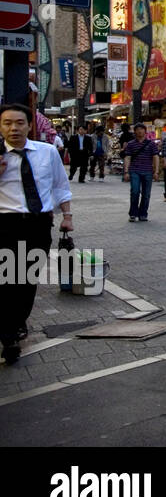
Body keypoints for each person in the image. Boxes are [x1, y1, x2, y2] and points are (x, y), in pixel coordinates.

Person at [0, 103, 74, 364]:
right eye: (7, 123)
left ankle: (17, 322)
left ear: (29, 125)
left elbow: (60, 185)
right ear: (1, 127)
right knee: (8, 281)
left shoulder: (47, 152)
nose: (14, 128)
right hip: (5, 225)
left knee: (27, 281)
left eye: (19, 122)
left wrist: (67, 216)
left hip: (38, 225)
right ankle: (8, 336)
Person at [122, 123, 160, 223]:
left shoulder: (151, 144)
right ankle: (133, 213)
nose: (139, 131)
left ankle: (143, 213)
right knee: (135, 192)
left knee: (146, 194)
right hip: (134, 171)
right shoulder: (131, 144)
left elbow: (156, 157)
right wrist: (126, 172)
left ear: (145, 131)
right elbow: (127, 157)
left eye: (141, 129)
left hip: (148, 171)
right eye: (137, 129)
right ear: (135, 132)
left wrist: (156, 171)